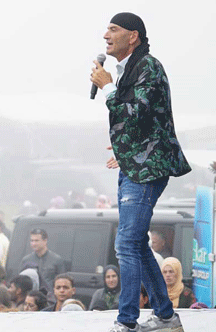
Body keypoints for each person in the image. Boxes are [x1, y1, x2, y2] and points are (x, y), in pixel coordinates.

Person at [91, 12, 192, 332]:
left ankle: (127, 321)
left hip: (148, 169)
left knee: (126, 243)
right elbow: (140, 123)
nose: (106, 34)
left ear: (132, 36)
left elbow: (134, 113)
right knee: (134, 243)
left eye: (114, 28)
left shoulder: (148, 66)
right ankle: (165, 315)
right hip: (136, 164)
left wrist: (107, 88)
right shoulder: (129, 68)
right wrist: (124, 150)